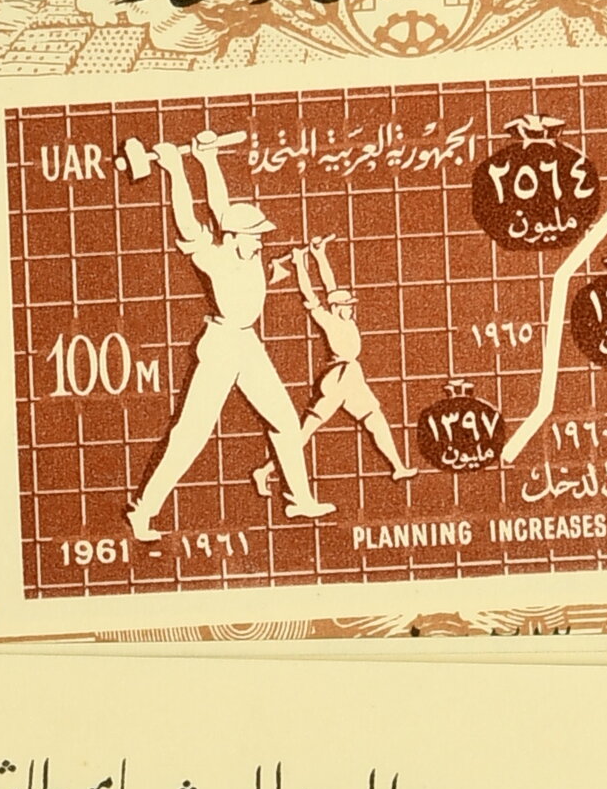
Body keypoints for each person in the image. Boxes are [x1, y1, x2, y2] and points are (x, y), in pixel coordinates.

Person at [126, 133, 331, 540]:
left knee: (284, 423)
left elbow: (221, 207)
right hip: (222, 347)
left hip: (247, 346)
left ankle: (300, 499)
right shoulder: (215, 257)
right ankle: (143, 512)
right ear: (234, 238)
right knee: (191, 434)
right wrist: (175, 169)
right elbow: (189, 222)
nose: (261, 241)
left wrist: (208, 159)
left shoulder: (246, 249)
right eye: (254, 235)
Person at [286, 237, 408, 481]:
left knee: (375, 419)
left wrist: (319, 255)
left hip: (352, 376)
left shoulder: (346, 319)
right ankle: (266, 470)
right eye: (346, 305)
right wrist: (299, 263)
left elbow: (329, 284)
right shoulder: (328, 320)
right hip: (339, 378)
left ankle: (398, 467)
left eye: (351, 305)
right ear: (335, 308)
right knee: (306, 431)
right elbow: (309, 293)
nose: (351, 308)